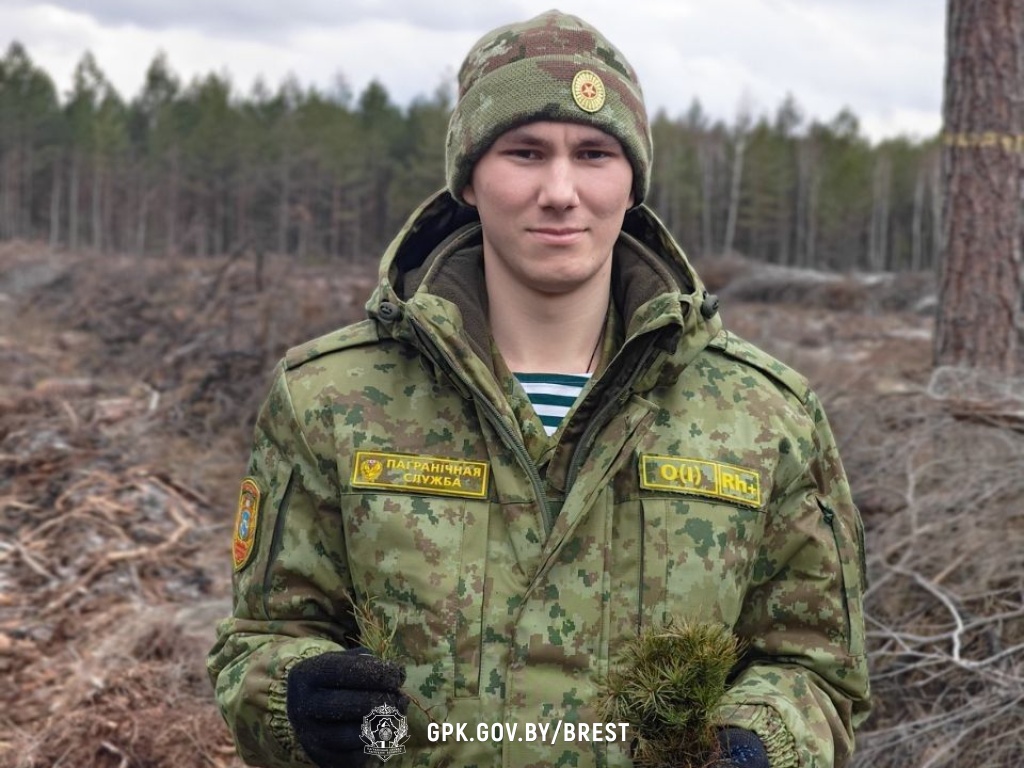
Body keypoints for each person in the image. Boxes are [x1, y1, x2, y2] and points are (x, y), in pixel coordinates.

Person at [207, 9, 871, 768]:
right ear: (469, 177)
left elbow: (817, 669)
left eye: (594, 154)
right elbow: (260, 642)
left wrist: (760, 744)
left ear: (632, 181)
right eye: (525, 152)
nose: (560, 191)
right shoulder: (332, 396)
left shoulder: (763, 416)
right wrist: (293, 701)